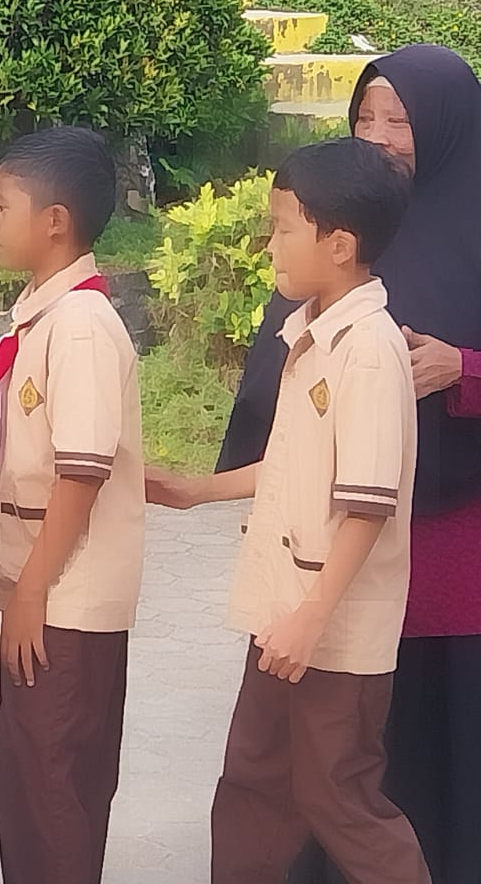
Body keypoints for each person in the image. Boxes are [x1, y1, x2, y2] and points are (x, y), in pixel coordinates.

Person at [216, 46, 481, 884]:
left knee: (406, 749)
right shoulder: (341, 224)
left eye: (400, 119)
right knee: (326, 750)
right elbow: (279, 381)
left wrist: (464, 368)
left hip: (450, 551)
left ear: (448, 127)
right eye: (365, 115)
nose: (378, 135)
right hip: (327, 557)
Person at [150, 138, 430, 883]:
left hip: (329, 632)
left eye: (282, 228)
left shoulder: (368, 350)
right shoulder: (313, 335)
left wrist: (311, 618)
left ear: (339, 245)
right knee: (253, 784)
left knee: (340, 801)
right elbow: (296, 467)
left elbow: (367, 507)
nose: (268, 245)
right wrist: (195, 490)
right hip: (284, 615)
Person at [0, 126, 146, 884]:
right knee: (29, 779)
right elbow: (38, 459)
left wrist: (31, 593)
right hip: (46, 588)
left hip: (65, 599)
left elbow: (80, 477)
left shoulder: (81, 328)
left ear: (54, 221)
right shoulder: (46, 315)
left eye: (2, 206)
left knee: (54, 790)